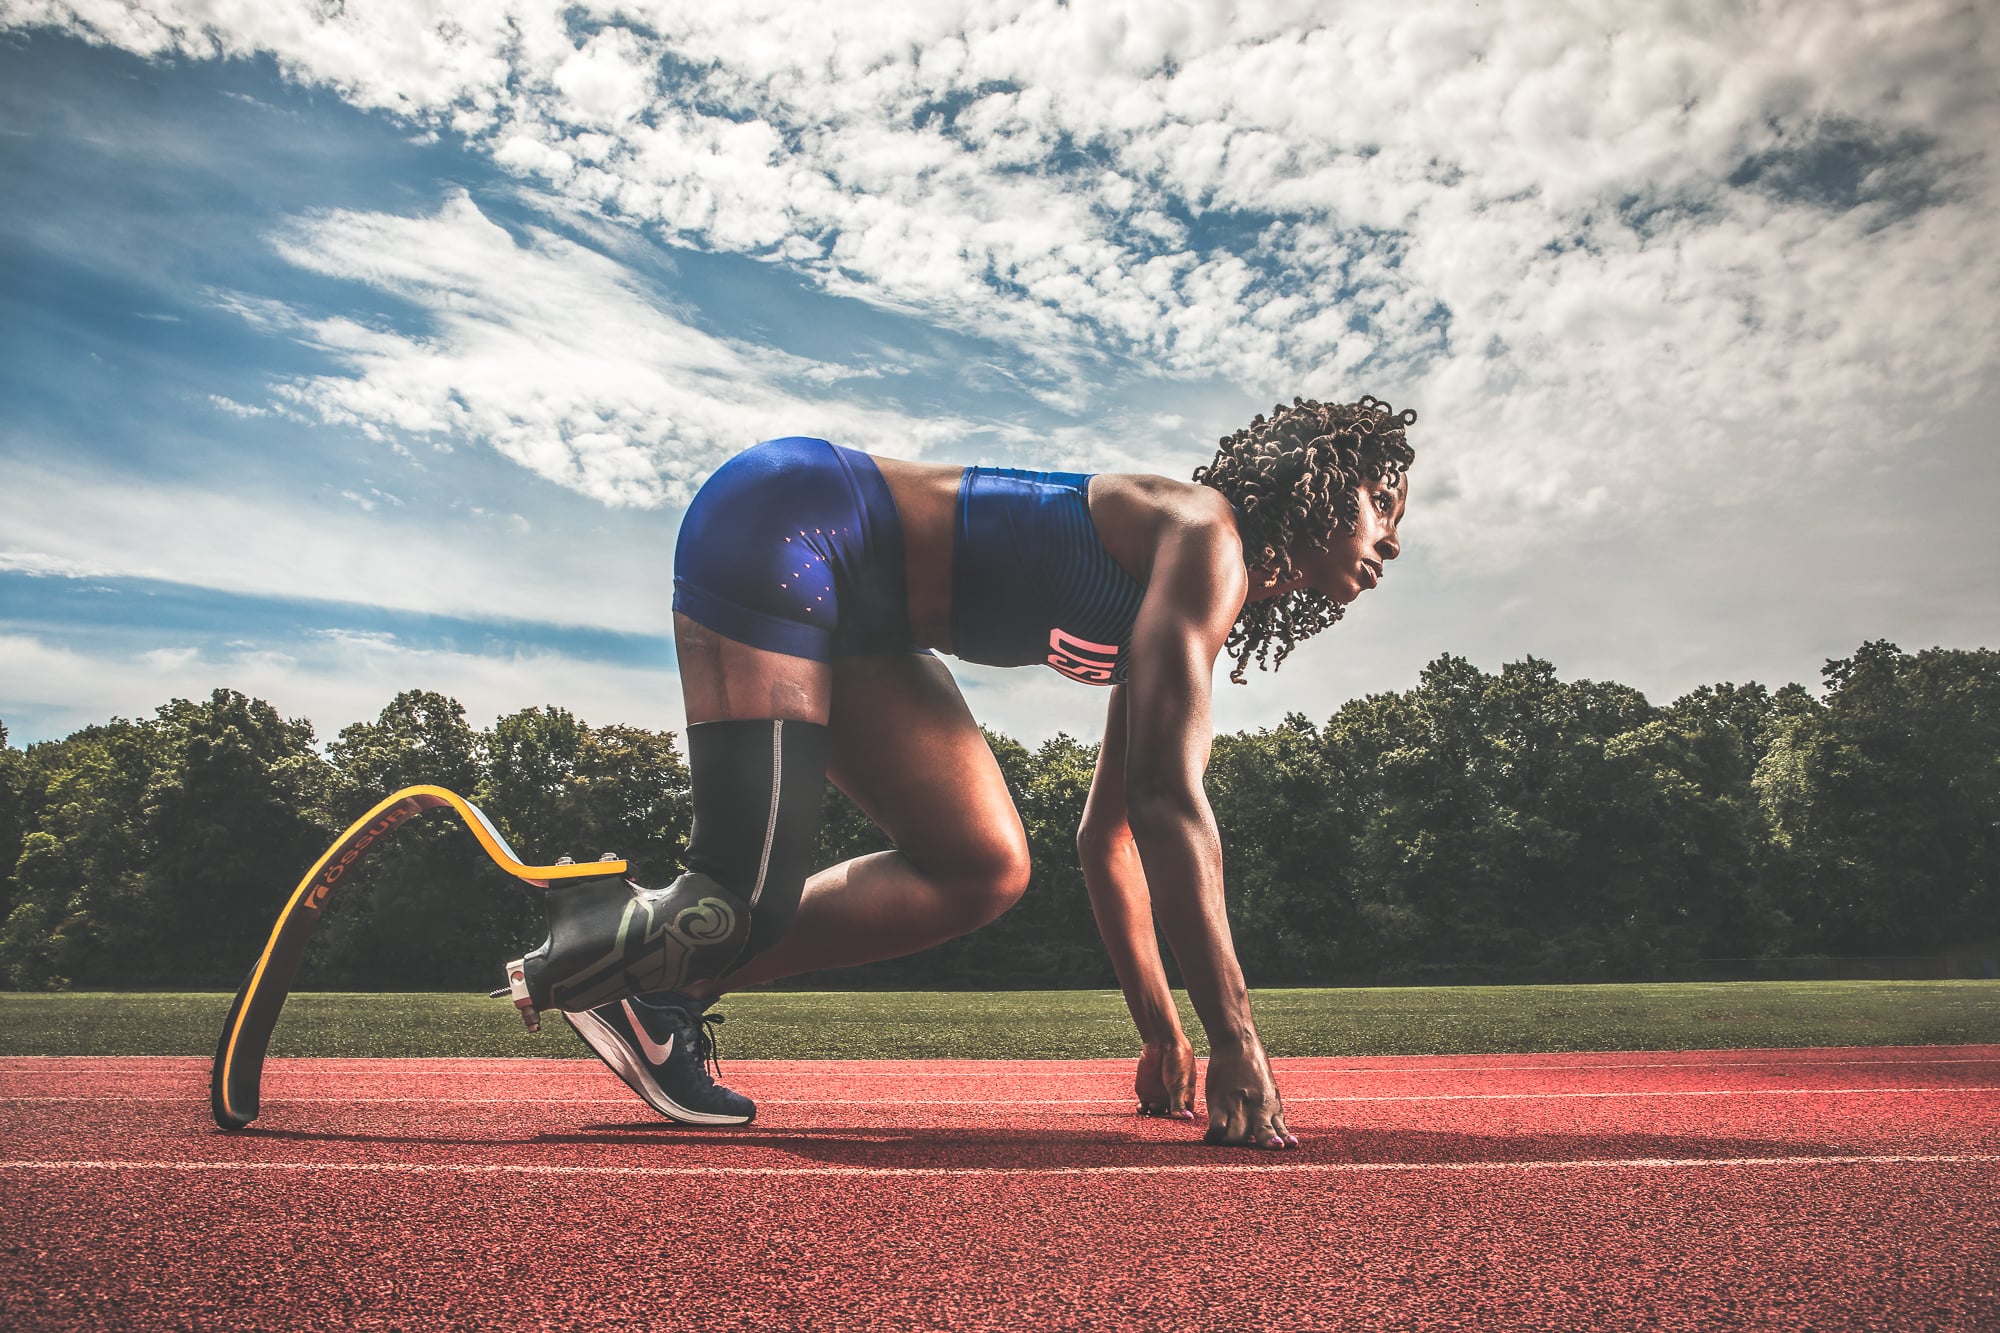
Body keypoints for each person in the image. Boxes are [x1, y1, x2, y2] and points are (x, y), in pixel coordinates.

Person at [509, 394, 1415, 1148]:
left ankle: (666, 991)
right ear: (1322, 487)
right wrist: (1237, 1036)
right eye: (1384, 503)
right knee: (731, 896)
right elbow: (1169, 798)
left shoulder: (1191, 582)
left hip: (862, 621)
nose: (1395, 540)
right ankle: (580, 933)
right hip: (788, 526)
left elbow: (1111, 832)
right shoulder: (1206, 536)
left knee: (983, 865)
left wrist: (1161, 1030)